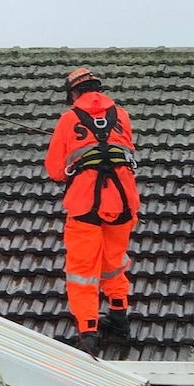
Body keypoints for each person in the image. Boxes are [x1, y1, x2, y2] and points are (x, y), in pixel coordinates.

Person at [44, 67, 140, 356]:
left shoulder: (68, 119)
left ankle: (89, 333)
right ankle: (120, 319)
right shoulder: (121, 116)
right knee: (114, 262)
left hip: (86, 203)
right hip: (124, 201)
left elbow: (55, 171)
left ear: (73, 93)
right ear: (98, 88)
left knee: (82, 271)